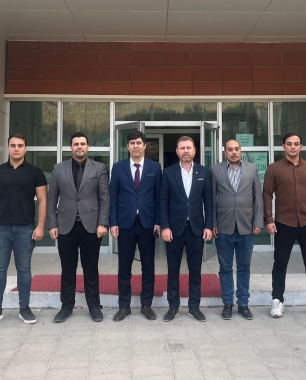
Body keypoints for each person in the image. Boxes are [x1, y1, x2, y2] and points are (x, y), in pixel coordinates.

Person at [0, 134, 47, 327]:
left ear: (25, 148)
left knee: (24, 269)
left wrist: (40, 226)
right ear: (8, 147)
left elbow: (43, 200)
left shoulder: (35, 172)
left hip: (26, 228)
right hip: (0, 228)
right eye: (13, 145)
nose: (16, 148)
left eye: (20, 145)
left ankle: (25, 308)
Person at [263, 132, 306, 319]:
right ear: (283, 146)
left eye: (296, 144)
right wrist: (269, 219)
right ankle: (277, 300)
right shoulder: (274, 169)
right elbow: (267, 195)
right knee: (280, 263)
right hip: (284, 223)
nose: (292, 147)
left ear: (301, 146)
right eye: (289, 144)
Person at [47, 132, 110, 323]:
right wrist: (52, 224)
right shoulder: (59, 169)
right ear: (71, 147)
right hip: (65, 226)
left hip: (91, 226)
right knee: (68, 269)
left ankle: (94, 306)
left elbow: (104, 198)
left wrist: (102, 223)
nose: (79, 147)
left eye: (83, 143)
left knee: (91, 269)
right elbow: (52, 199)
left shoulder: (99, 168)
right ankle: (66, 307)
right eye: (76, 144)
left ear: (88, 147)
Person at [109, 130, 162, 321]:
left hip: (148, 224)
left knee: (148, 267)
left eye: (139, 143)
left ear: (144, 145)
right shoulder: (118, 167)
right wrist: (113, 222)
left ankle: (146, 305)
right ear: (127, 146)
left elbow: (159, 197)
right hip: (125, 224)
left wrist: (158, 222)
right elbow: (113, 197)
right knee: (124, 267)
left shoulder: (155, 167)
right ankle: (124, 306)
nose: (136, 146)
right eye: (132, 143)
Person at [159, 136, 213, 322]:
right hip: (174, 230)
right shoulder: (168, 172)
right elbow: (163, 202)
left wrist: (209, 226)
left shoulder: (203, 172)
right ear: (177, 151)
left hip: (196, 229)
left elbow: (209, 202)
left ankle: (194, 307)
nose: (186, 151)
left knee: (195, 271)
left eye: (189, 148)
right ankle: (173, 306)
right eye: (182, 148)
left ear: (194, 150)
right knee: (173, 270)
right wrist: (165, 226)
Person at [211, 139, 263, 320]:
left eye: (236, 149)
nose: (233, 152)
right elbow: (211, 199)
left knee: (244, 268)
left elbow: (258, 198)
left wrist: (258, 222)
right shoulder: (215, 170)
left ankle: (243, 304)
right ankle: (227, 303)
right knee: (225, 268)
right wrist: (213, 223)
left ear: (240, 151)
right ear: (225, 152)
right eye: (230, 149)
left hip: (246, 226)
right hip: (223, 227)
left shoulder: (251, 169)